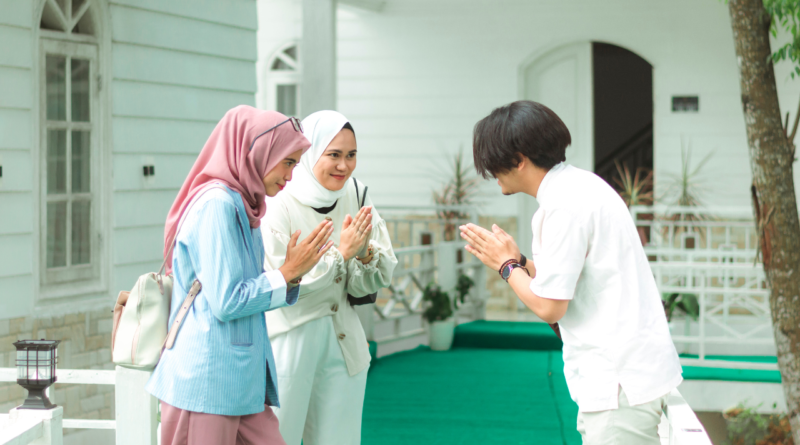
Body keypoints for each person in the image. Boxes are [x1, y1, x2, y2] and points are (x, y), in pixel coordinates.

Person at [460, 100, 682, 444]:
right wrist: (518, 261)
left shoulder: (563, 206)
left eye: (493, 162)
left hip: (617, 384)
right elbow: (566, 279)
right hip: (626, 376)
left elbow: (550, 306)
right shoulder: (580, 186)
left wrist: (505, 266)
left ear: (518, 159)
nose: (491, 173)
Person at [146, 105, 336, 445]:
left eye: (295, 164)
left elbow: (245, 289)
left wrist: (291, 275)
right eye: (287, 162)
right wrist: (287, 272)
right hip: (206, 385)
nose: (290, 175)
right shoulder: (217, 205)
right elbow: (227, 301)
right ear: (258, 152)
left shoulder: (243, 204)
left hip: (239, 383)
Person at [262, 110, 398, 445]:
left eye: (351, 155)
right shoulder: (279, 199)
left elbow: (379, 275)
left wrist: (364, 253)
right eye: (333, 154)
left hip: (343, 342)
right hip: (289, 344)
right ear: (310, 153)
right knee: (280, 437)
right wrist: (342, 254)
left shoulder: (356, 192)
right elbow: (281, 284)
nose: (344, 166)